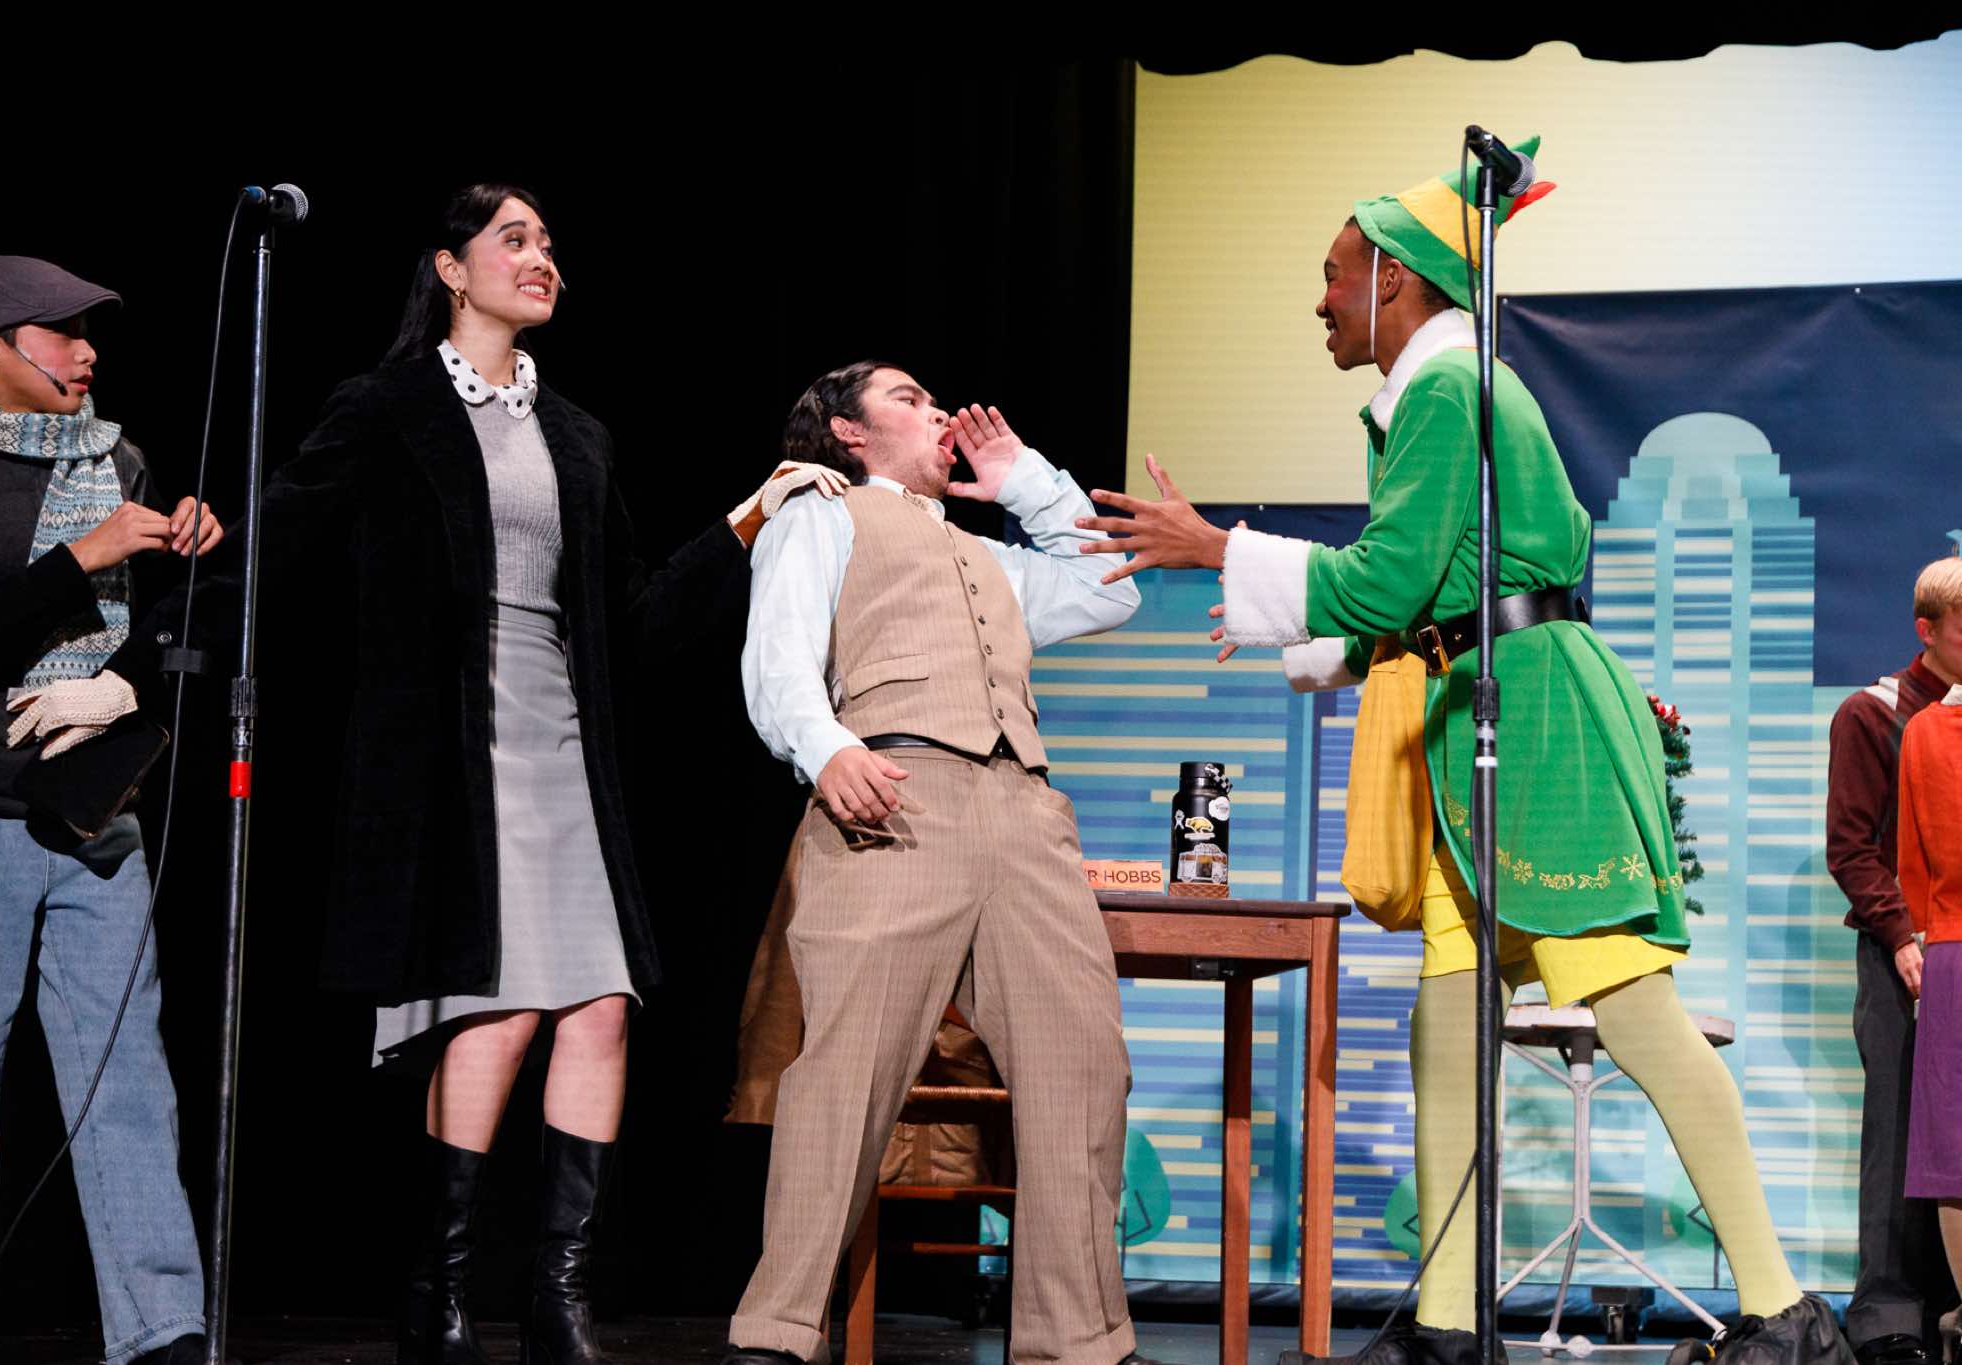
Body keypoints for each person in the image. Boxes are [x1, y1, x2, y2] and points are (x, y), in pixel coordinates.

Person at [1075, 140, 1848, 1365]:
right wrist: (1316, 635)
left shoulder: (1446, 388)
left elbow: (1392, 576)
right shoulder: (1437, 390)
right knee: (1447, 1004)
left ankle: (1782, 1309)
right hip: (1476, 720)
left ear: (1392, 276)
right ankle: (1443, 1323)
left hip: (1532, 727)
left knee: (1629, 1005)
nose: (1320, 300)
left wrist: (1218, 547)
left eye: (1331, 274)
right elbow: (1438, 587)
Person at [237, 184, 841, 1365]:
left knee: (601, 1005)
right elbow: (280, 542)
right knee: (498, 1009)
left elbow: (631, 616)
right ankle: (439, 1288)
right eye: (513, 240)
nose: (541, 259)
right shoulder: (387, 406)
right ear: (448, 268)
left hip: (560, 740)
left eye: (549, 244)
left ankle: (558, 1299)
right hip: (449, 751)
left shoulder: (575, 433)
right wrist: (163, 648)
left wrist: (746, 519)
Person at [721, 362, 1174, 1365]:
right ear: (847, 431)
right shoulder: (820, 511)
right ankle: (776, 1331)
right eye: (907, 399)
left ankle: (1079, 1342)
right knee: (847, 1072)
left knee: (1082, 1067)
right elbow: (778, 652)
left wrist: (1025, 482)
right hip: (896, 793)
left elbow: (1108, 590)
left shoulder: (985, 555)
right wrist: (825, 749)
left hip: (1024, 812)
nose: (936, 413)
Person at [0, 256, 223, 1365]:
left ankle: (161, 1324)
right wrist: (82, 556)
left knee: (125, 1070)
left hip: (97, 806)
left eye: (91, 331)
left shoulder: (123, 465)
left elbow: (167, 625)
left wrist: (135, 660)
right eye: (61, 331)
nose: (87, 351)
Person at [1830, 555, 1962, 1365]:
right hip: (1900, 953)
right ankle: (1885, 1313)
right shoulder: (1872, 713)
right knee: (1899, 1125)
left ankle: (1950, 1303)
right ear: (1928, 630)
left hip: (1956, 949)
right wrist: (1903, 937)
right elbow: (1850, 847)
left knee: (1954, 1134)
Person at [1896, 558, 1962, 1365]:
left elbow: (1912, 863)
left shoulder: (1922, 732)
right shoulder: (1922, 732)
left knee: (1954, 1149)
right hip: (1951, 946)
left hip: (1948, 947)